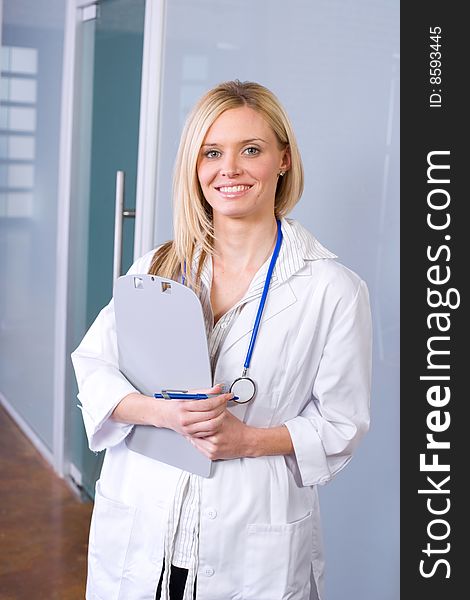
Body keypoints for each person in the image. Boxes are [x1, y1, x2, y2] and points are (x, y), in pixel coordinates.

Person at [71, 80, 372, 600]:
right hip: (145, 524)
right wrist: (162, 413)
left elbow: (341, 424)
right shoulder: (159, 268)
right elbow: (94, 364)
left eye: (250, 150)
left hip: (250, 536)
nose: (228, 169)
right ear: (195, 165)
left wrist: (248, 440)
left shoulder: (332, 289)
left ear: (283, 159)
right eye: (212, 152)